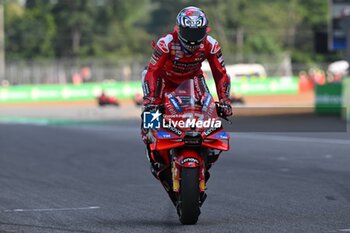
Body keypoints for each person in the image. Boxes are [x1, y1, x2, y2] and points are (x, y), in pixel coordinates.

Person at [141, 6, 232, 185]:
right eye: (188, 32)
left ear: (205, 30)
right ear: (179, 29)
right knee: (150, 116)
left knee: (208, 108)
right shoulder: (166, 42)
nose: (192, 39)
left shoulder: (211, 44)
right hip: (164, 80)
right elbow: (152, 72)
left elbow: (220, 73)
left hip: (192, 79)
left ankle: (204, 153)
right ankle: (153, 153)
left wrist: (224, 101)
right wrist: (150, 101)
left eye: (197, 32)